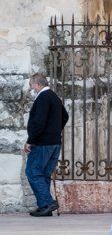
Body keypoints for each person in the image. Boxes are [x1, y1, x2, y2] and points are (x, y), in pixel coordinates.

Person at [24, 73, 69, 217]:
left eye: (32, 85)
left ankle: (47, 202)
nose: (32, 88)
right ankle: (44, 206)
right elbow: (65, 116)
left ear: (37, 84)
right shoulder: (54, 96)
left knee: (32, 172)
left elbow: (38, 122)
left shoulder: (43, 97)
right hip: (54, 142)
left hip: (42, 143)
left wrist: (30, 140)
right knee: (44, 174)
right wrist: (54, 130)